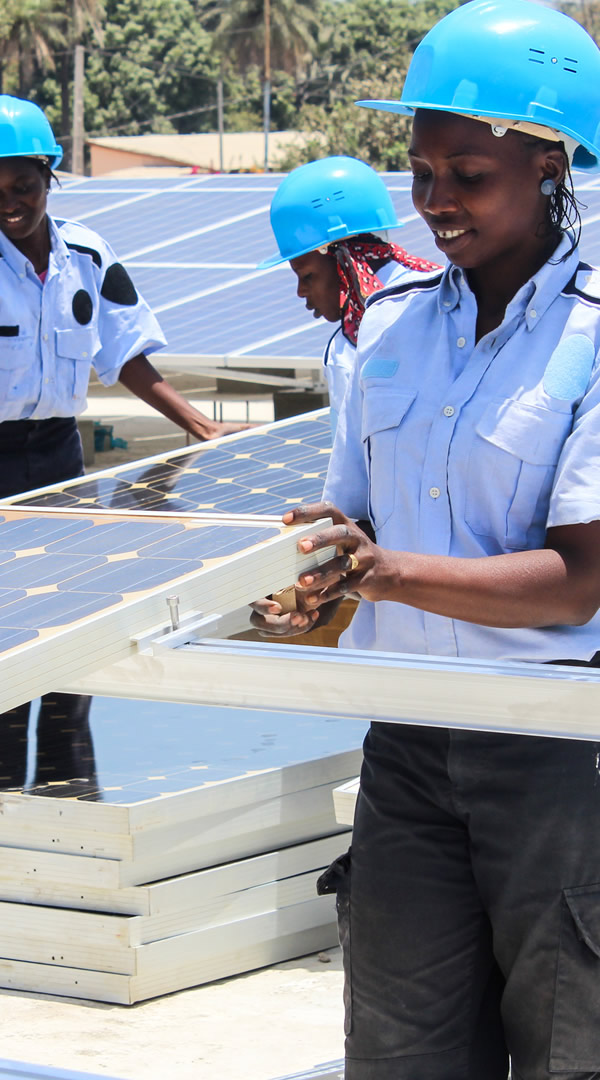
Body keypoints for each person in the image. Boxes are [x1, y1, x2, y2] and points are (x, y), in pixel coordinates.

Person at [252, 1, 600, 1076]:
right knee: (402, 1050)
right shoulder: (391, 332)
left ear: (550, 163)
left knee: (566, 1046)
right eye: (421, 173)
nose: (437, 201)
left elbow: (579, 581)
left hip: (555, 753)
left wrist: (387, 571)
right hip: (406, 746)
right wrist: (318, 587)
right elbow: (353, 528)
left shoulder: (594, 339)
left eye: (469, 174)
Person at [0, 94, 247, 791]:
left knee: (71, 648)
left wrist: (201, 426)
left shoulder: (89, 257)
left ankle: (69, 803)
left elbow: (123, 353)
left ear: (50, 176)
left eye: (23, 187)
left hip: (62, 462)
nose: (9, 205)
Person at [258, 156, 440, 419]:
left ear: (342, 258)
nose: (300, 292)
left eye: (307, 276)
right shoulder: (449, 290)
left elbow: (351, 443)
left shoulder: (350, 348)